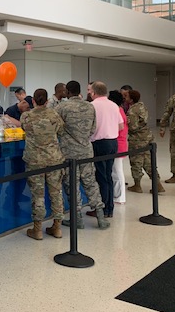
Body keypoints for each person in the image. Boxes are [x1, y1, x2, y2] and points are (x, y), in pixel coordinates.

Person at [55, 81, 109, 230]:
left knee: (72, 185)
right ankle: (101, 217)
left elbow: (56, 128)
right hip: (86, 151)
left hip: (69, 153)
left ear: (67, 92)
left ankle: (77, 218)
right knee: (91, 183)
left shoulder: (62, 107)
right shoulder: (89, 106)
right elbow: (93, 128)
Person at [21, 89, 65, 240]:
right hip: (54, 159)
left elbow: (23, 128)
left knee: (37, 195)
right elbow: (60, 131)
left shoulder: (27, 116)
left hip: (35, 161)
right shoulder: (54, 115)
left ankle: (37, 230)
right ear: (46, 101)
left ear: (33, 100)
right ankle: (57, 227)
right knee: (56, 193)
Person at [90, 82, 123, 218]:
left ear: (93, 92)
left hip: (99, 143)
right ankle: (110, 208)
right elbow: (120, 126)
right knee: (108, 175)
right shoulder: (114, 105)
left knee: (101, 177)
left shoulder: (92, 106)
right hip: (113, 143)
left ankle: (102, 209)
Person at [126, 90, 164, 194]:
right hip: (147, 137)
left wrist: (125, 123)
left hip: (137, 139)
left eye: (127, 96)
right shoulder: (142, 106)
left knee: (136, 162)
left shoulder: (132, 110)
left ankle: (137, 185)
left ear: (131, 99)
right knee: (149, 162)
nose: (125, 98)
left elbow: (133, 127)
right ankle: (158, 185)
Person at [108, 90, 128, 204]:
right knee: (116, 171)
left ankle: (120, 196)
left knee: (117, 171)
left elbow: (119, 127)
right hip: (120, 143)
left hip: (118, 144)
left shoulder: (117, 110)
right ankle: (118, 195)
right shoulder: (120, 110)